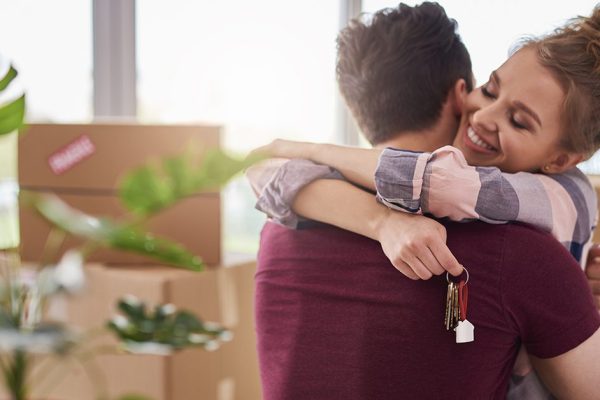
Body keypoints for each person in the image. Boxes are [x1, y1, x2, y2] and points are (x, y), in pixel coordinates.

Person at [249, 3, 600, 399]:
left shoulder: (280, 225)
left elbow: (265, 172)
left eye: (518, 120)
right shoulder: (525, 256)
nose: (484, 117)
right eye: (489, 89)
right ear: (460, 93)